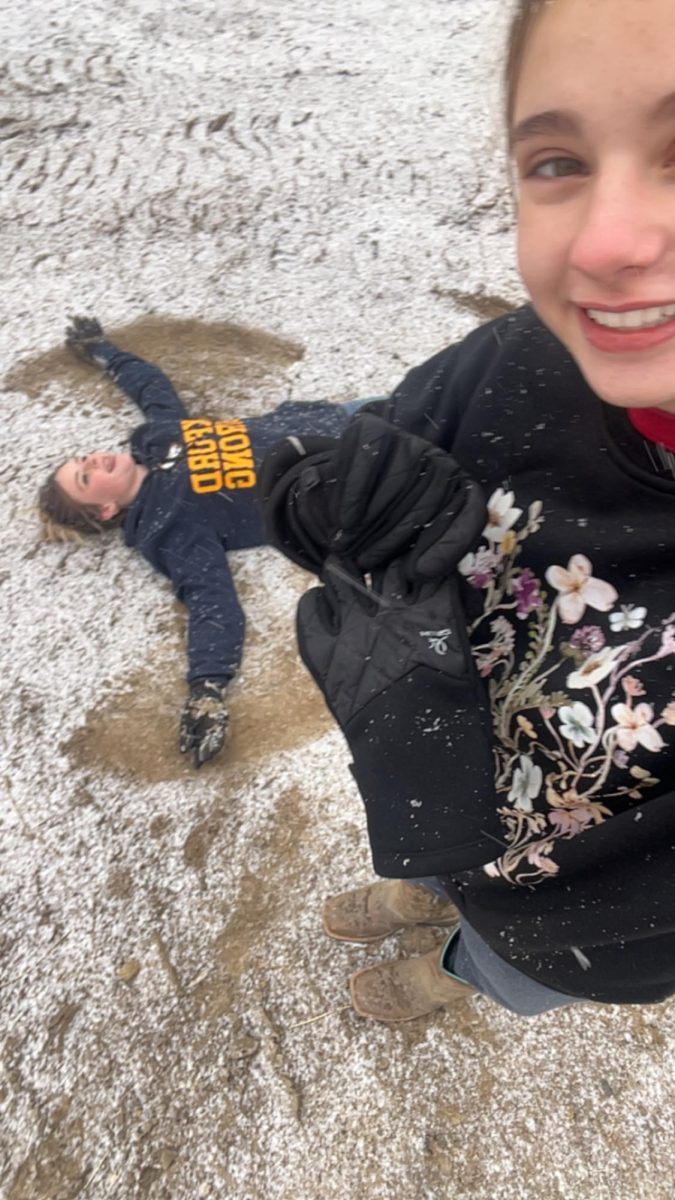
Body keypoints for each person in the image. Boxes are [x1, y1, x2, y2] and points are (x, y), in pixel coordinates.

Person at [262, 0, 675, 1020]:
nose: (605, 241)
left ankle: (445, 977)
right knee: (440, 876)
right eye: (557, 163)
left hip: (572, 937)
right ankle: (424, 892)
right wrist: (318, 504)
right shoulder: (514, 366)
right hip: (429, 794)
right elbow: (339, 472)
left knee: (499, 969)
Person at [38, 317, 363, 767]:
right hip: (351, 475)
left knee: (473, 377)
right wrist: (206, 688)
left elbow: (150, 387)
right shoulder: (167, 526)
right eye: (86, 476)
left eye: (82, 459)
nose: (93, 458)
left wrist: (104, 350)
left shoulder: (157, 438)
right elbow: (212, 600)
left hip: (337, 419)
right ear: (106, 510)